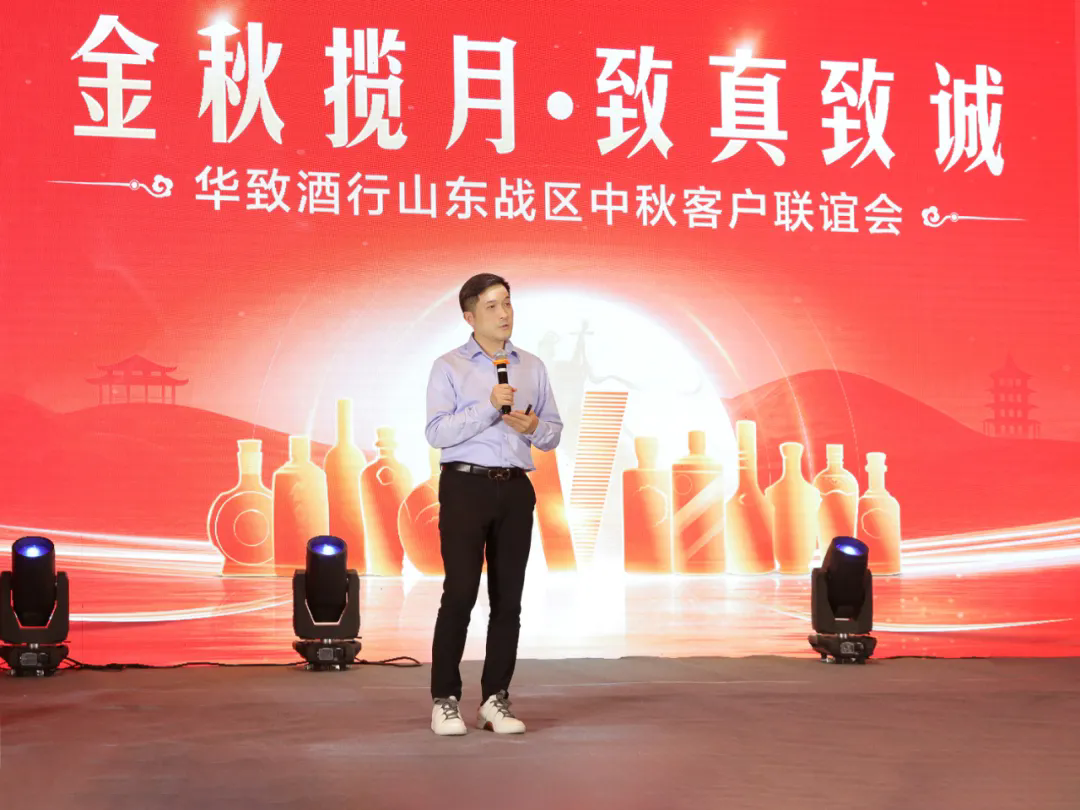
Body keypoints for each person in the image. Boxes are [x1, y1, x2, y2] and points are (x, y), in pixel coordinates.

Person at [424, 273, 563, 736]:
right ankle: (445, 700)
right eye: (491, 306)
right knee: (460, 593)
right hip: (465, 486)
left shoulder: (532, 367)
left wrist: (533, 429)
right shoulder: (448, 366)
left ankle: (494, 699)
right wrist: (489, 407)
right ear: (469, 316)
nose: (504, 314)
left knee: (509, 600)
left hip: (516, 488)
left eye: (507, 303)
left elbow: (553, 433)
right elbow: (437, 432)